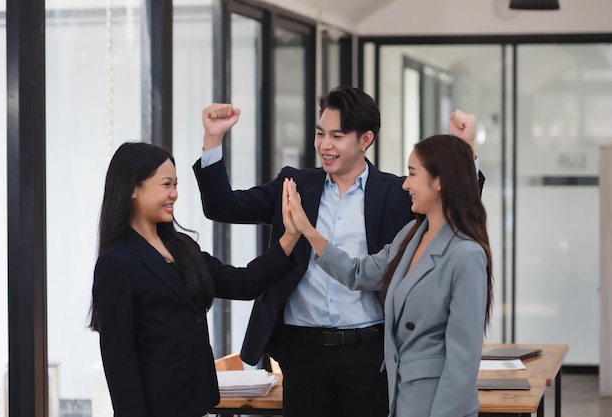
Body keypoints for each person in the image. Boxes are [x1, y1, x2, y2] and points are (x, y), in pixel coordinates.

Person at [193, 86, 483, 417]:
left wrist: (465, 150)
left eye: (337, 135)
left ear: (365, 140)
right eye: (320, 134)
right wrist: (212, 141)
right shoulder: (295, 186)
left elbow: (458, 203)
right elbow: (223, 206)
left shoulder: (398, 192)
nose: (324, 145)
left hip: (370, 353)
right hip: (301, 351)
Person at [283, 133, 493, 417]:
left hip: (436, 404)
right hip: (400, 395)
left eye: (412, 174)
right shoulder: (412, 234)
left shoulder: (466, 255)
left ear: (440, 180)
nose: (405, 184)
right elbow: (360, 273)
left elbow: (463, 360)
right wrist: (307, 230)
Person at [88, 142, 299, 417]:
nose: (174, 194)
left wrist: (290, 238)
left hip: (198, 403)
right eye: (166, 185)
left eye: (176, 185)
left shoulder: (182, 246)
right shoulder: (116, 263)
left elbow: (243, 283)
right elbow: (119, 362)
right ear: (133, 189)